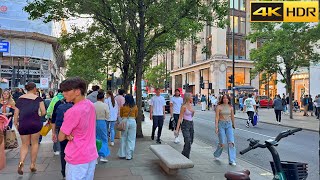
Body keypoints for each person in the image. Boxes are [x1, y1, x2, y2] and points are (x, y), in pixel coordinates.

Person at [58, 77, 98, 180]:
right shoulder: (90, 105)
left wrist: (67, 134)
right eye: (63, 91)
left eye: (67, 90)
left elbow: (60, 137)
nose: (64, 93)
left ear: (77, 92)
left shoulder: (73, 111)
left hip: (77, 156)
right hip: (90, 154)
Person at [13, 82, 46, 175]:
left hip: (23, 123)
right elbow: (43, 112)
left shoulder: (20, 98)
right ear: (35, 88)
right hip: (35, 122)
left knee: (24, 144)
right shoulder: (38, 99)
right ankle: (32, 164)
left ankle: (21, 162)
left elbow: (16, 113)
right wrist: (39, 115)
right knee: (34, 144)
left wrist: (16, 122)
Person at [51, 97, 73, 179]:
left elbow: (53, 119)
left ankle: (64, 173)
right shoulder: (75, 104)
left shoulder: (58, 103)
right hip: (73, 131)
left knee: (63, 152)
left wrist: (53, 132)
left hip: (61, 130)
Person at [213, 94, 236, 166]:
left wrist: (233, 124)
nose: (225, 99)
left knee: (231, 142)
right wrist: (216, 127)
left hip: (229, 125)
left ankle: (232, 160)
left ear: (229, 99)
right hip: (221, 125)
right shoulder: (219, 107)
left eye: (226, 98)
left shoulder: (231, 107)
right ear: (222, 99)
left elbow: (232, 116)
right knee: (222, 143)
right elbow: (216, 118)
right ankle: (216, 154)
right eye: (224, 98)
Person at [118, 94, 138, 160]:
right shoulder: (135, 107)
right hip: (132, 121)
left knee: (123, 137)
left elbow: (121, 115)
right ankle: (129, 155)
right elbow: (136, 115)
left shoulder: (123, 107)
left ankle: (122, 154)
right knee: (131, 139)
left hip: (124, 121)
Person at [175, 93, 195, 159]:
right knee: (188, 141)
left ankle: (183, 153)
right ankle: (186, 157)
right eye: (191, 97)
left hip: (191, 124)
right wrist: (177, 129)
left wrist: (193, 112)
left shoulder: (191, 105)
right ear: (188, 98)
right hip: (185, 124)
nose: (192, 98)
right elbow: (180, 118)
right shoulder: (183, 107)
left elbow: (191, 116)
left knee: (191, 140)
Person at [46, 89, 64, 155]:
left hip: (56, 120)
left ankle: (57, 150)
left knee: (56, 133)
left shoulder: (55, 99)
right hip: (64, 121)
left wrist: (48, 116)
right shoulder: (70, 100)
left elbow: (50, 108)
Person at [94, 92, 110, 162]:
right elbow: (107, 115)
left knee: (95, 139)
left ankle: (95, 157)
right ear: (103, 98)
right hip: (102, 122)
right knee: (104, 138)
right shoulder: (105, 105)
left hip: (94, 123)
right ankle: (102, 156)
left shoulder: (93, 105)